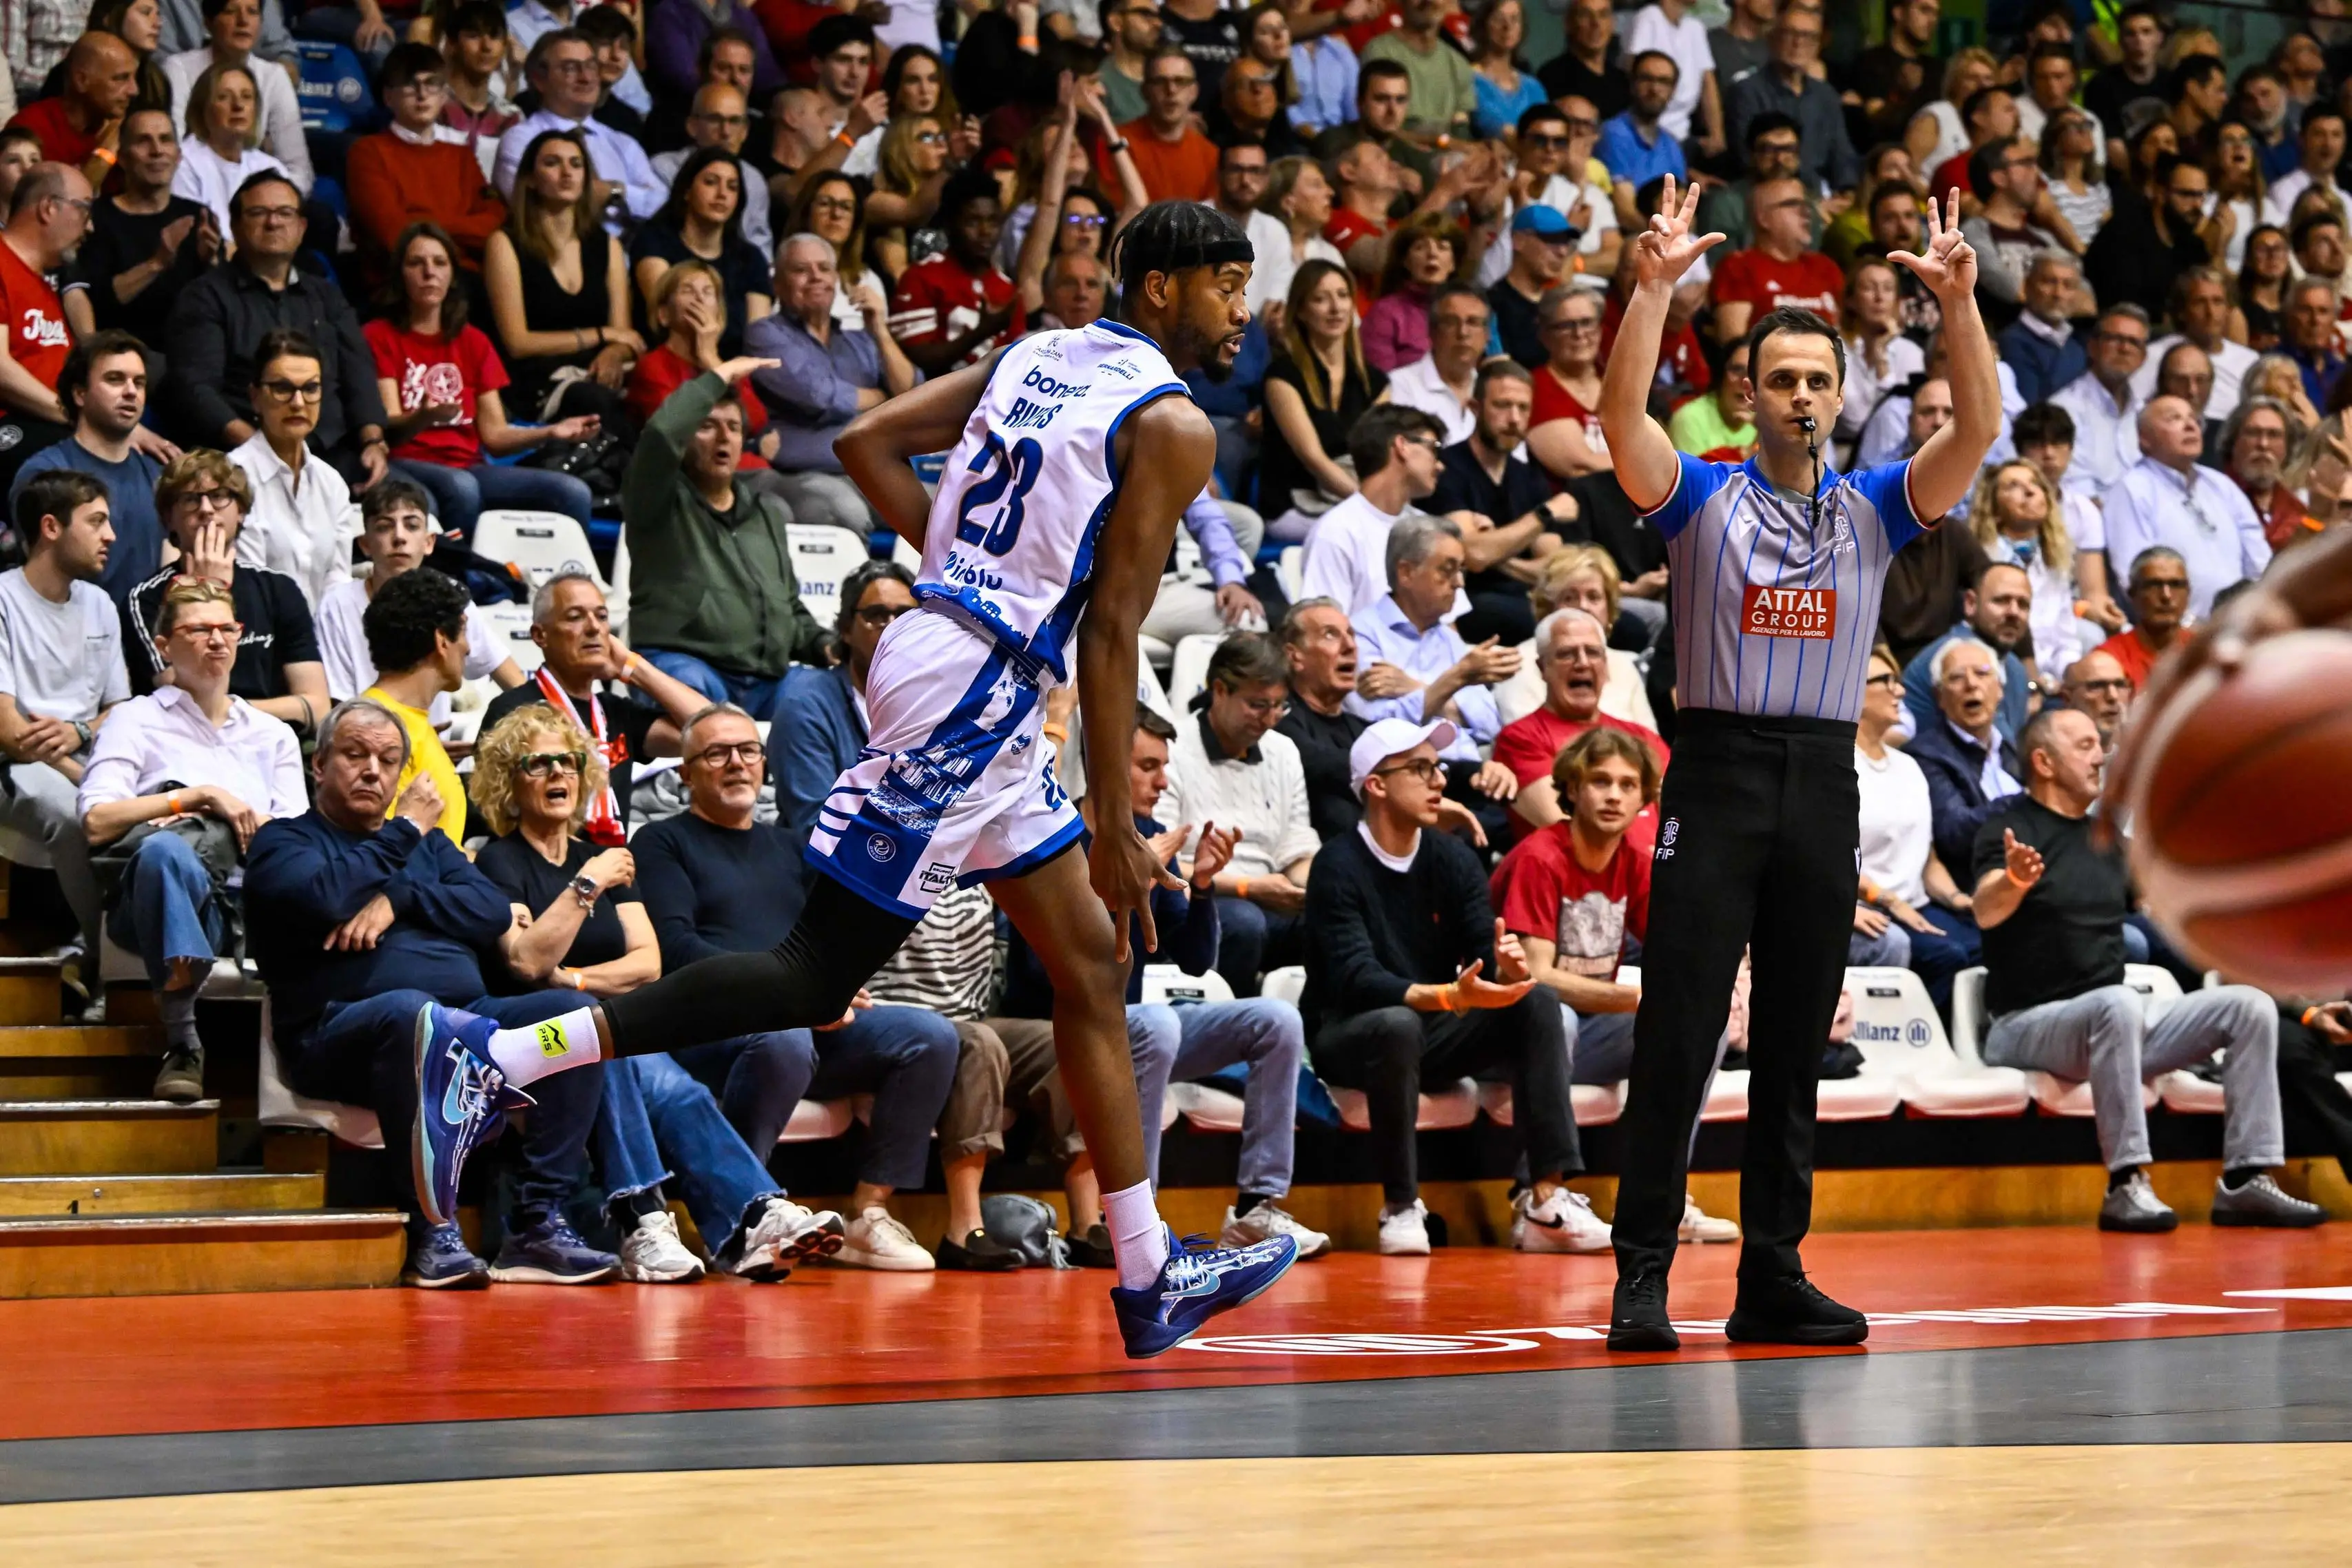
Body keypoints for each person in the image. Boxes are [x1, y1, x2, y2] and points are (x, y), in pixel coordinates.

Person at [405, 200, 1303, 1357]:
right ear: (1163, 286)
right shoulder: (1174, 423)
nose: (1241, 308)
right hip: (977, 688)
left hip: (951, 652)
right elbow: (1114, 627)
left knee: (1090, 959)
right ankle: (497, 1053)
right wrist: (1118, 815)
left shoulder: (1033, 352)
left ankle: (1147, 1272)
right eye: (1225, 282)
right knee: (809, 972)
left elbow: (868, 443)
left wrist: (963, 586)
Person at [1596, 182, 1999, 1352]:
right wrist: (1649, 288)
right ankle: (1641, 1273)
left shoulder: (1874, 504)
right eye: (1779, 380)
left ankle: (1770, 1270)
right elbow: (1622, 422)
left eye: (1817, 381)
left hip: (1821, 776)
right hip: (1715, 771)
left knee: (1790, 1036)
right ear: (1747, 395)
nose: (1800, 396)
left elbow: (1971, 431)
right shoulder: (1702, 495)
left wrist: (1957, 309)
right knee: (1676, 1028)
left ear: (1839, 396)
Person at [244, 697, 615, 1288]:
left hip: (472, 1023)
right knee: (416, 1014)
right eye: (356, 755)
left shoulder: (432, 850)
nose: (373, 770)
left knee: (576, 1017)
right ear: (319, 765)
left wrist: (403, 899)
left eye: (388, 760)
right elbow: (325, 898)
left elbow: (490, 908)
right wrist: (404, 832)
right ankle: (432, 1228)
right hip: (340, 1037)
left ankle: (536, 1223)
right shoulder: (285, 843)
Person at [467, 703, 843, 1282]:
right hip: (540, 1038)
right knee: (611, 1038)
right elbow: (524, 961)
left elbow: (648, 964)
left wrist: (569, 977)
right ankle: (664, 1219)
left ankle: (734, 1225)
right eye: (537, 764)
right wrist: (586, 892)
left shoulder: (607, 856)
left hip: (611, 1022)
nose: (557, 775)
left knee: (673, 1084)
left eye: (567, 761)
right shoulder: (497, 862)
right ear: (507, 780)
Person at [630, 701, 961, 1270]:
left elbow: (833, 936)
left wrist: (832, 986)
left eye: (748, 751)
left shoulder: (791, 846)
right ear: (684, 773)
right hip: (713, 1023)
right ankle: (741, 1213)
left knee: (930, 1036)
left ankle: (869, 1213)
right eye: (716, 753)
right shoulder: (661, 843)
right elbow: (676, 952)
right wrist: (787, 995)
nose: (737, 763)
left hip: (803, 1017)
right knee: (783, 1038)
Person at [1973, 705, 2320, 1233]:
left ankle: (2247, 1180)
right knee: (2118, 1003)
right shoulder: (2008, 827)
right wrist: (2014, 882)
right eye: (2086, 745)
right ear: (2043, 761)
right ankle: (2126, 1182)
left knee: (2248, 1006)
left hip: (2114, 1030)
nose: (2101, 756)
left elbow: (2173, 913)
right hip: (2025, 1026)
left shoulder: (2111, 841)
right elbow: (1983, 909)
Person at [1009, 706, 1331, 1257]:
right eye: (1148, 766)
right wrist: (1114, 891)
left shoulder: (1152, 837)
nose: (1163, 782)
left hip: (1137, 1030)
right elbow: (1045, 973)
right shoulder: (1051, 841)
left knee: (1275, 1020)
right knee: (1155, 1023)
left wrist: (1202, 885)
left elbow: (1196, 962)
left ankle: (1257, 1209)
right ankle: (1138, 1220)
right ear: (1107, 767)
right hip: (1065, 1029)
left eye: (1165, 766)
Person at [1304, 716, 1596, 1255]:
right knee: (1395, 1023)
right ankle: (1399, 1206)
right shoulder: (1336, 865)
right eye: (1420, 769)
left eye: (1438, 767)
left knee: (1540, 1003)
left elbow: (1483, 951)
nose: (1439, 780)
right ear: (1377, 784)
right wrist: (1447, 996)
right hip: (1349, 1034)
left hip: (1434, 1027)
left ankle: (1545, 1200)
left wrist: (1503, 971)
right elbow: (1356, 977)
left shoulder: (1451, 856)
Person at [1491, 725, 1740, 1244]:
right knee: (1553, 1016)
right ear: (1573, 788)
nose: (1613, 795)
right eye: (1600, 781)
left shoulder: (1633, 862)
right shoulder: (1541, 856)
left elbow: (1678, 956)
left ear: (1645, 799)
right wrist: (1637, 999)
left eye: (1628, 785)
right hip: (1504, 1037)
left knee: (1703, 1026)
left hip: (1586, 1033)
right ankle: (1533, 1200)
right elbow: (1535, 977)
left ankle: (1664, 1193)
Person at [77, 575, 302, 1100]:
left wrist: (230, 819)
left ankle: (185, 1036)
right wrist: (194, 798)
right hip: (149, 900)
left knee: (177, 847)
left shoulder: (272, 734)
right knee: (162, 852)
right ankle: (183, 1039)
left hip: (244, 902)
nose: (218, 640)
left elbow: (296, 845)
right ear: (164, 645)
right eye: (199, 630)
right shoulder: (135, 719)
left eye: (228, 628)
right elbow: (97, 820)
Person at [619, 363, 824, 717]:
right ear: (685, 437)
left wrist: (825, 645)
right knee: (688, 688)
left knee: (821, 693)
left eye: (733, 427)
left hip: (766, 683)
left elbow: (789, 608)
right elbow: (659, 435)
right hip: (688, 664)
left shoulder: (766, 515)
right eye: (706, 427)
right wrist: (722, 374)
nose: (723, 438)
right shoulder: (656, 501)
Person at [367, 222, 597, 534]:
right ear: (400, 275)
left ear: (452, 275)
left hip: (467, 465)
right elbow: (388, 429)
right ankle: (465, 578)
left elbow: (495, 438)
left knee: (572, 492)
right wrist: (423, 416)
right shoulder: (379, 336)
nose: (429, 272)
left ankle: (567, 581)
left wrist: (551, 431)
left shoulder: (473, 341)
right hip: (405, 461)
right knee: (461, 487)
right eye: (416, 263)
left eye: (439, 263)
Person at [167, 178, 392, 492]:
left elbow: (359, 374)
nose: (273, 222)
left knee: (407, 507)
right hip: (243, 454)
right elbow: (196, 388)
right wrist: (258, 451)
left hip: (332, 452)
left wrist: (373, 441)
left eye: (284, 213)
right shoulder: (205, 297)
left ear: (301, 227)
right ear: (235, 225)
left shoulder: (327, 296)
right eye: (259, 212)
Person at [0, 471, 129, 967]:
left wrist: (80, 733)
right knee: (82, 817)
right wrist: (86, 778)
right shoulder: (6, 600)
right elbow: (11, 735)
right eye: (96, 521)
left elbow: (118, 709)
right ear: (51, 527)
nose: (111, 535)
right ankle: (109, 974)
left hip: (89, 758)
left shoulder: (99, 604)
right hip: (17, 769)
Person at [1157, 633, 1320, 998]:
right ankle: (1234, 1031)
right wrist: (1249, 888)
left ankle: (1314, 1037)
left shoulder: (1284, 751)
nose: (1271, 719)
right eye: (1259, 705)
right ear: (1219, 690)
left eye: (1280, 706)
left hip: (1271, 896)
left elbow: (1295, 845)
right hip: (1200, 898)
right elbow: (1160, 859)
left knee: (1335, 918)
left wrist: (1319, 885)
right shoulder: (1172, 749)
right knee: (1244, 923)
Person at [478, 570, 703, 831]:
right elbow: (495, 813)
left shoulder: (615, 711)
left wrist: (634, 667)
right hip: (545, 865)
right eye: (575, 617)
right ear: (540, 636)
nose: (594, 627)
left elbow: (714, 733)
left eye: (602, 617)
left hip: (615, 863)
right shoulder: (513, 710)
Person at [1345, 514, 1521, 843]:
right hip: (1405, 781)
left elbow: (1488, 724)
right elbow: (1376, 726)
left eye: (1462, 570)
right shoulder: (1360, 636)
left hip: (1469, 774)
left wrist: (1414, 689)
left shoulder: (1450, 641)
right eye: (1448, 569)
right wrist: (1455, 680)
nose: (1459, 583)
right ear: (1406, 572)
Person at [122, 450, 325, 730]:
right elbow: (188, 706)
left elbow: (317, 707)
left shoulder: (279, 589)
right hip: (187, 746)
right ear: (169, 518)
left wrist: (232, 711)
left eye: (219, 496)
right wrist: (208, 591)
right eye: (191, 499)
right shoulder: (144, 600)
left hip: (275, 743)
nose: (206, 509)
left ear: (240, 511)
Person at [747, 231, 920, 537]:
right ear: (777, 284)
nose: (815, 277)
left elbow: (911, 395)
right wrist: (883, 397)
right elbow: (818, 396)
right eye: (801, 270)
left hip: (871, 473)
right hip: (803, 476)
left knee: (940, 511)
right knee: (845, 511)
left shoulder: (861, 341)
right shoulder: (765, 336)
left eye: (824, 269)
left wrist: (879, 330)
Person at [314, 479, 522, 728]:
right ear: (365, 544)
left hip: (437, 753)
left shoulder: (451, 597)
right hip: (367, 753)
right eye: (384, 527)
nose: (399, 537)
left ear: (429, 542)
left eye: (412, 526)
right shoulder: (337, 604)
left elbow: (513, 680)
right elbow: (339, 709)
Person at [482, 128, 641, 431]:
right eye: (553, 163)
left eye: (576, 164)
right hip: (538, 382)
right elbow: (518, 343)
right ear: (529, 179)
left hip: (596, 371)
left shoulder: (607, 245)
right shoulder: (505, 244)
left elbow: (624, 336)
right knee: (596, 402)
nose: (567, 173)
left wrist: (613, 352)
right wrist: (601, 336)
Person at [1852, 642, 1978, 1007]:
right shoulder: (1838, 766)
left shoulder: (1909, 765)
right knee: (1945, 955)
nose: (1901, 690)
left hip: (1916, 903)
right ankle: (1924, 1046)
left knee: (1987, 943)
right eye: (1885, 681)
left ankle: (1970, 1050)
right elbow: (1829, 855)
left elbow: (1927, 858)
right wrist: (1889, 901)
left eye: (1898, 680)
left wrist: (1959, 900)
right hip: (1866, 904)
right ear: (1852, 694)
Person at [6, 331, 166, 606]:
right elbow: (41, 579)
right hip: (67, 636)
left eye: (139, 383)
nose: (131, 391)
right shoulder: (45, 473)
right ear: (80, 394)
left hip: (144, 639)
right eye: (114, 379)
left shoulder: (156, 475)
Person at [1427, 360, 1580, 644]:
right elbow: (1474, 557)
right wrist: (1543, 515)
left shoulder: (1529, 477)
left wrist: (1496, 555)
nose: (1514, 419)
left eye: (1523, 408)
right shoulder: (1447, 470)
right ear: (1474, 409)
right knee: (1559, 624)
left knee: (1627, 626)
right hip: (1467, 600)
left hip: (1523, 597)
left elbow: (1551, 570)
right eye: (1502, 406)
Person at [1491, 604, 1668, 843]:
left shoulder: (1642, 737)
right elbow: (1571, 829)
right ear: (1542, 668)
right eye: (1566, 654)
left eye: (1593, 653)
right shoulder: (1520, 738)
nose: (1583, 663)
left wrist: (1669, 854)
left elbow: (1680, 815)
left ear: (1605, 666)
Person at [345, 43, 507, 285]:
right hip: (403, 282)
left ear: (443, 96)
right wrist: (461, 231)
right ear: (388, 97)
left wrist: (424, 222)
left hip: (466, 278)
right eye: (410, 85)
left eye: (431, 84)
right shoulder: (368, 152)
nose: (422, 94)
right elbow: (395, 236)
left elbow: (496, 223)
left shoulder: (461, 156)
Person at [771, 559, 911, 835]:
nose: (893, 628)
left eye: (907, 617)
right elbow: (818, 830)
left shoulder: (937, 704)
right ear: (846, 628)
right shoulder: (806, 706)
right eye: (876, 615)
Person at [2101, 396, 2270, 623]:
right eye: (2174, 419)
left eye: (2193, 418)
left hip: (2239, 622)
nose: (2190, 425)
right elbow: (2135, 577)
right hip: (2173, 631)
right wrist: (2186, 627)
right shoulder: (2131, 489)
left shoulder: (2222, 485)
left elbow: (2259, 562)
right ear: (2145, 439)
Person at [58, 108, 217, 349]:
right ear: (122, 158)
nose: (156, 151)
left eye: (165, 140)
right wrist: (156, 264)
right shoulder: (95, 220)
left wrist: (213, 263)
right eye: (144, 141)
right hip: (124, 352)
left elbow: (219, 303)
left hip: (191, 350)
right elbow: (96, 303)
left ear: (178, 156)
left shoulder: (198, 217)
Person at [223, 329, 354, 610]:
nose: (298, 403)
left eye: (310, 388)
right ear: (255, 397)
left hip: (322, 644)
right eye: (282, 388)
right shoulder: (231, 477)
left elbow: (338, 586)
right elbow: (246, 588)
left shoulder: (332, 484)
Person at [1262, 258, 1388, 541]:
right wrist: (1371, 507)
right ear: (1302, 312)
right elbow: (1313, 458)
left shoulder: (1376, 382)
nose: (1335, 308)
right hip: (1293, 504)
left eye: (1343, 296)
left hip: (1353, 500)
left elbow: (1378, 459)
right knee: (1378, 535)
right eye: (1321, 299)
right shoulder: (1282, 376)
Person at [491, 29, 662, 228]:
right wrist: (624, 201)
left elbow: (663, 205)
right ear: (539, 79)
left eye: (591, 66)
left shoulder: (623, 143)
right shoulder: (521, 140)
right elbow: (533, 208)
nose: (586, 78)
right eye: (570, 68)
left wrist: (614, 192)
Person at [1295, 403, 1439, 619]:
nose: (1440, 466)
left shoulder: (1430, 529)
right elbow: (1328, 634)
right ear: (1403, 446)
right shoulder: (1336, 532)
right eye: (1434, 449)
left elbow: (1447, 626)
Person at [1494, 544, 1658, 731]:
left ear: (1609, 609)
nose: (1583, 607)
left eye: (1593, 597)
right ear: (1548, 609)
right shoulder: (1521, 663)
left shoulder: (1624, 666)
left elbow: (1651, 744)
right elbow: (1525, 735)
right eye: (1570, 598)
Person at [628, 147, 770, 358]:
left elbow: (758, 339)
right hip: (674, 364)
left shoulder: (750, 258)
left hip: (734, 371)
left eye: (732, 188)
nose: (722, 194)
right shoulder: (655, 241)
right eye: (711, 182)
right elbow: (676, 322)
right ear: (686, 191)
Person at [1905, 635, 2023, 880]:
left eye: (1982, 673)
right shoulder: (1926, 755)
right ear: (1940, 697)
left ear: (2000, 689)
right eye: (1956, 677)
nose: (1971, 684)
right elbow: (1954, 833)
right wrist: (2027, 802)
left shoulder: (2012, 748)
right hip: (1974, 887)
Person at [163, 0, 311, 194]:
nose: (243, 21)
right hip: (194, 186)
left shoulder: (274, 76)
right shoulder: (179, 68)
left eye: (252, 12)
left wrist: (267, 202)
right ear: (208, 22)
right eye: (231, 11)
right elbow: (173, 150)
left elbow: (299, 170)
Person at [887, 170, 1025, 377]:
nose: (985, 231)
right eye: (973, 221)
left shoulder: (1007, 289)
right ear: (950, 224)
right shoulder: (921, 277)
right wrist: (981, 333)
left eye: (993, 221)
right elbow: (919, 359)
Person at [0, 163, 87, 486]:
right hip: (14, 427)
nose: (89, 228)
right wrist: (83, 416)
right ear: (50, 208)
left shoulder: (43, 287)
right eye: (84, 211)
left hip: (54, 424)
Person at [1968, 460, 2092, 682]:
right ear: (1993, 508)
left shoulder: (2054, 563)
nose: (2030, 491)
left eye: (2035, 484)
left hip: (2051, 682)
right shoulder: (1979, 561)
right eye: (2013, 486)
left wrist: (2070, 675)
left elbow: (2065, 641)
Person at [1722, 7, 1855, 195]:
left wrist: (1847, 194)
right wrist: (1810, 202)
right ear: (1772, 38)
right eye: (1790, 33)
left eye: (1809, 36)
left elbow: (1843, 157)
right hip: (1768, 195)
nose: (1799, 43)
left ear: (1819, 44)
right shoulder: (1746, 92)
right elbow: (1747, 161)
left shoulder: (1826, 96)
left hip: (1824, 198)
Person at [1272, 595, 1366, 842]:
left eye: (1351, 634)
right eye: (1330, 635)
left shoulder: (1360, 728)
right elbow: (1315, 762)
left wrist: (1477, 773)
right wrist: (1394, 769)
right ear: (1295, 656)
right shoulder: (1278, 719)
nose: (1350, 646)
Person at [1709, 174, 1844, 345]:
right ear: (1763, 218)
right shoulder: (1738, 267)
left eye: (1806, 204)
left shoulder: (1825, 267)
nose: (1806, 212)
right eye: (1793, 204)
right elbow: (1734, 346)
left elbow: (1846, 335)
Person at [2083, 154, 2212, 322]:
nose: (2197, 205)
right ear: (2160, 192)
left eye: (2201, 196)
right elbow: (2122, 302)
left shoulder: (2192, 245)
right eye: (2187, 195)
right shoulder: (2123, 233)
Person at [651, 84, 770, 258]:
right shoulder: (663, 168)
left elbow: (759, 245)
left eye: (735, 121)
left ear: (745, 131)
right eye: (715, 120)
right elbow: (656, 234)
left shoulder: (754, 180)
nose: (726, 132)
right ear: (692, 126)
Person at [7, 33, 138, 183]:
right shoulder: (32, 128)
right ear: (81, 80)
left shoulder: (129, 129)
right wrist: (105, 155)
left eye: (134, 78)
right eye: (121, 78)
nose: (134, 90)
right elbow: (57, 204)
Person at [2048, 304, 2149, 499]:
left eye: (2134, 342)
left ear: (2143, 357)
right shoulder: (2064, 410)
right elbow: (2078, 494)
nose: (2124, 348)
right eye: (2115, 339)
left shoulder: (2144, 412)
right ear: (2093, 347)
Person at [1528, 285, 1611, 481]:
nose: (1579, 334)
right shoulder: (1537, 388)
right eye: (1566, 325)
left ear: (1600, 330)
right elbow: (1582, 466)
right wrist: (1646, 466)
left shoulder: (1614, 382)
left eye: (1587, 322)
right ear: (1545, 336)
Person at [1597, 50, 1686, 229]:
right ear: (1632, 83)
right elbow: (1626, 213)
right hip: (1631, 241)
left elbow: (1684, 209)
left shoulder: (1672, 144)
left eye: (1664, 82)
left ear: (1673, 90)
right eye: (1646, 79)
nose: (1654, 89)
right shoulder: (1614, 133)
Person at [1486, 203, 1573, 372]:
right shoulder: (1492, 306)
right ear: (1518, 241)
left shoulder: (1558, 307)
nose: (1562, 252)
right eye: (1551, 240)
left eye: (1566, 242)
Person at [1997, 251, 2088, 409]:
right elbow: (2030, 413)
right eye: (2049, 282)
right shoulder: (2013, 342)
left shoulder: (2079, 344)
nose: (2058, 294)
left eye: (2068, 285)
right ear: (2027, 286)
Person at [2219, 396, 2311, 550]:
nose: (2263, 444)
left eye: (2274, 435)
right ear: (2233, 442)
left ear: (2287, 448)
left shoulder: (2296, 510)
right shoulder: (2212, 498)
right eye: (2253, 433)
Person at [2094, 545, 2189, 692]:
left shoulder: (2206, 652)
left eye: (2175, 585)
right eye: (2154, 585)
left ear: (2188, 593)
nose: (2166, 596)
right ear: (2132, 594)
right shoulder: (2110, 658)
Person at [1668, 335, 1757, 458]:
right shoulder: (1690, 419)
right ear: (1720, 375)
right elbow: (1697, 477)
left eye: (1754, 373)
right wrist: (1746, 453)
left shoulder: (1765, 423)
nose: (1745, 381)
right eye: (1737, 370)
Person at [2059, 648, 2130, 748]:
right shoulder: (2054, 758)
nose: (2113, 696)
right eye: (2097, 686)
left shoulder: (2146, 755)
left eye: (2120, 685)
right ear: (2067, 698)